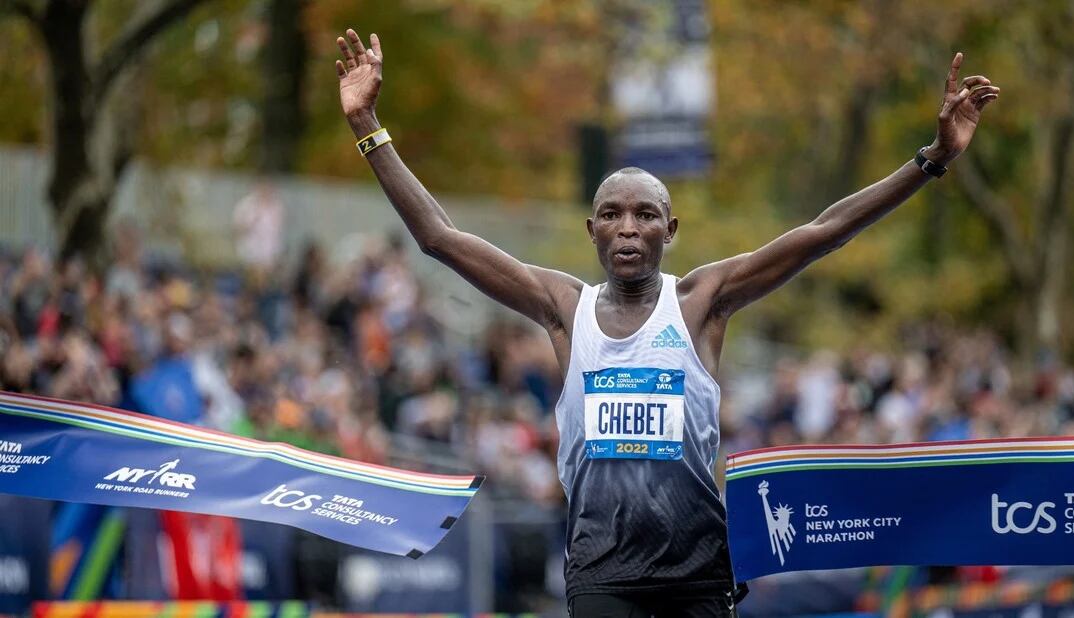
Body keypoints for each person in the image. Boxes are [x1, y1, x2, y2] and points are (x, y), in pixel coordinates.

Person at [333, 28, 998, 616]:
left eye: (645, 214)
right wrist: (368, 126)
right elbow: (439, 238)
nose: (628, 227)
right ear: (591, 229)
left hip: (698, 576)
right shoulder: (564, 309)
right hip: (602, 577)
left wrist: (930, 159)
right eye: (613, 214)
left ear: (669, 230)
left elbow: (823, 232)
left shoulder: (704, 302)